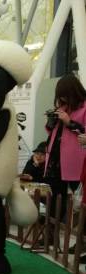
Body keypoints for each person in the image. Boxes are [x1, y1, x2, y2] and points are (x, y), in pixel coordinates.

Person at [44, 74, 86, 221]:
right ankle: (52, 229)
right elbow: (52, 132)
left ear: (74, 92)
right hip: (55, 159)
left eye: (64, 95)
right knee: (54, 197)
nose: (62, 99)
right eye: (60, 96)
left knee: (78, 198)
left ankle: (76, 229)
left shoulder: (84, 107)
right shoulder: (62, 107)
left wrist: (69, 122)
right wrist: (51, 121)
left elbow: (84, 132)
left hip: (74, 160)